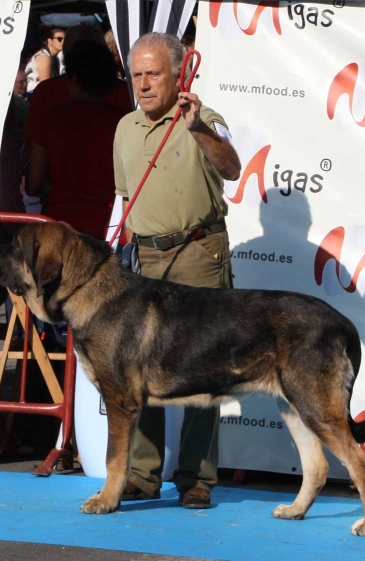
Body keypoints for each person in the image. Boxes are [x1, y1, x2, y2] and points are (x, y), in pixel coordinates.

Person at [114, 32, 241, 509]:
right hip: (142, 260)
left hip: (197, 254)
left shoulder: (203, 119)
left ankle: (196, 478)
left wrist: (198, 129)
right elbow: (124, 198)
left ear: (179, 75)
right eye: (137, 75)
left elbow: (232, 167)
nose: (143, 84)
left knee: (203, 366)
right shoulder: (125, 126)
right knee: (136, 367)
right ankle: (142, 475)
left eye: (154, 74)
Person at [25, 41, 128, 239]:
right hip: (111, 228)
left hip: (61, 228)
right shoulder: (124, 121)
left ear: (72, 80)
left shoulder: (51, 119)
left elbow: (33, 184)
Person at [25, 25, 65, 95]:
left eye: (65, 39)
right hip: (35, 95)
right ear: (50, 41)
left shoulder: (55, 58)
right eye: (59, 39)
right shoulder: (44, 57)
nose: (63, 42)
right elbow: (45, 85)